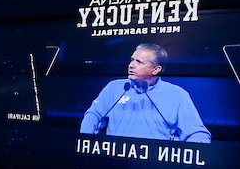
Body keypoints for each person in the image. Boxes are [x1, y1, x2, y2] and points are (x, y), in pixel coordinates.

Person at [80, 43, 211, 142]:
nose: (131, 65)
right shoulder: (115, 87)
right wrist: (85, 141)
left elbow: (198, 134)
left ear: (156, 69)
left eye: (139, 62)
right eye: (132, 60)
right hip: (115, 160)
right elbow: (93, 115)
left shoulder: (177, 94)